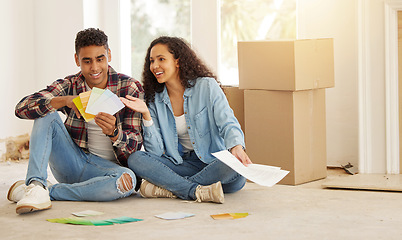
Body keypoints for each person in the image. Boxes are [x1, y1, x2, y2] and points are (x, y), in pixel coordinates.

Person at [7, 28, 144, 214]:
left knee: (127, 181)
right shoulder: (70, 85)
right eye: (87, 61)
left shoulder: (129, 87)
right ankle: (36, 184)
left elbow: (135, 147)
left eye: (100, 59)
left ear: (109, 55)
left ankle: (46, 191)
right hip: (71, 162)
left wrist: (114, 133)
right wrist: (63, 101)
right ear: (77, 60)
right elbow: (21, 108)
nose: (94, 68)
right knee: (46, 111)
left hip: (107, 171)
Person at [120, 36, 252, 204]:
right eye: (152, 61)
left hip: (213, 163)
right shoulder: (153, 99)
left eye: (161, 59)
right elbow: (155, 152)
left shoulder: (207, 86)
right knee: (136, 159)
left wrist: (236, 147)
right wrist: (146, 115)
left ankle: (172, 188)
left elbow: (227, 121)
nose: (155, 66)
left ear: (177, 61)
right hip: (180, 164)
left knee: (234, 167)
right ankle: (193, 191)